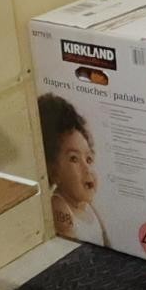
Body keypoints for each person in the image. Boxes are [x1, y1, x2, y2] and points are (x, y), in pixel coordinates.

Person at [38, 94, 108, 247]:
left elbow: (106, 240)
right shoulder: (60, 206)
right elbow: (68, 249)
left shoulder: (89, 207)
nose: (87, 168)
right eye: (74, 159)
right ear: (53, 171)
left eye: (88, 159)